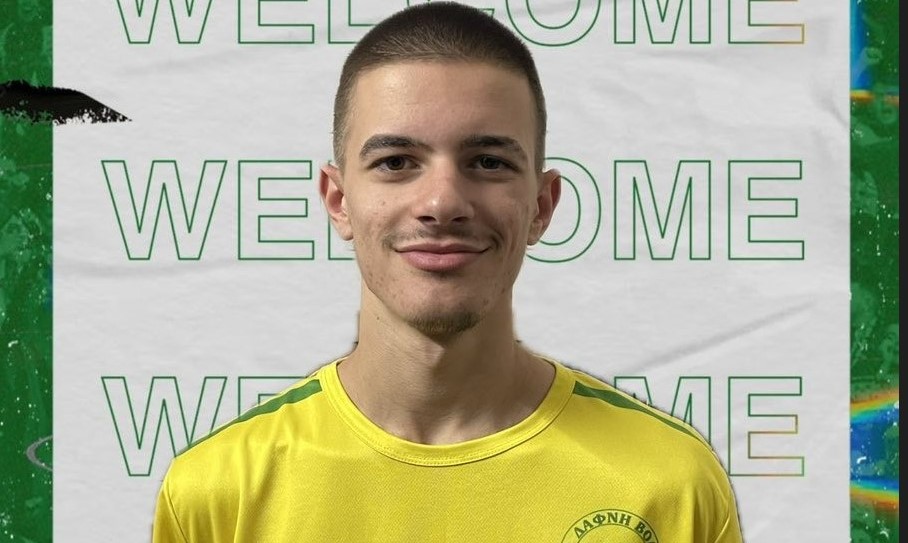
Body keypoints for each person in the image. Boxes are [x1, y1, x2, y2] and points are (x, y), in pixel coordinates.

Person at [152, 3, 744, 541]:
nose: (442, 202)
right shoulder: (218, 493)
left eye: (487, 161)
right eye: (396, 162)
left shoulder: (670, 483)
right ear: (338, 201)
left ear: (541, 206)